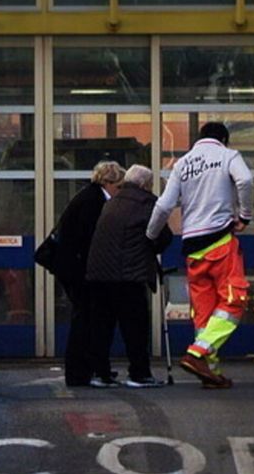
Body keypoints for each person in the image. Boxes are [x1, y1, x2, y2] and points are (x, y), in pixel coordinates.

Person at [147, 121, 254, 388]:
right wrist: (245, 216)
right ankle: (198, 353)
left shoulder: (182, 164)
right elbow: (246, 180)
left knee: (204, 314)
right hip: (220, 241)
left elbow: (164, 206)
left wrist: (149, 236)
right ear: (224, 140)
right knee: (233, 301)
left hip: (192, 247)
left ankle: (210, 373)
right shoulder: (228, 156)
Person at [86, 164, 172, 388]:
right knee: (135, 327)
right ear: (145, 184)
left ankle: (101, 373)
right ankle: (139, 373)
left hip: (100, 274)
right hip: (128, 275)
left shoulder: (112, 202)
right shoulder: (146, 203)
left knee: (102, 326)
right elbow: (163, 237)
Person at [51, 160, 125, 387]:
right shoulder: (94, 201)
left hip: (77, 267)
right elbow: (88, 239)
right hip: (81, 270)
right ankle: (80, 372)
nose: (119, 191)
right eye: (118, 186)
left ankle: (89, 369)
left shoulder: (89, 197)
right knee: (85, 320)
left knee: (86, 319)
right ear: (108, 182)